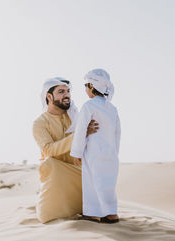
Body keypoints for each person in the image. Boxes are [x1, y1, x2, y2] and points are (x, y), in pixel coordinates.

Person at [33, 77, 99, 223]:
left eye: (68, 91)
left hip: (79, 171)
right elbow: (48, 149)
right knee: (50, 163)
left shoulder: (77, 117)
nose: (67, 95)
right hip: (57, 175)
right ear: (49, 97)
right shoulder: (40, 123)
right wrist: (79, 134)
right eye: (61, 92)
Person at [70, 69, 121, 224]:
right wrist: (114, 152)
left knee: (92, 182)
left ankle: (92, 213)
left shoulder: (88, 106)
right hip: (110, 153)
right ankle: (110, 213)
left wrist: (76, 152)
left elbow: (80, 131)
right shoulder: (112, 109)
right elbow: (117, 133)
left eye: (86, 86)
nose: (85, 89)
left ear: (92, 85)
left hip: (93, 152)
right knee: (107, 184)